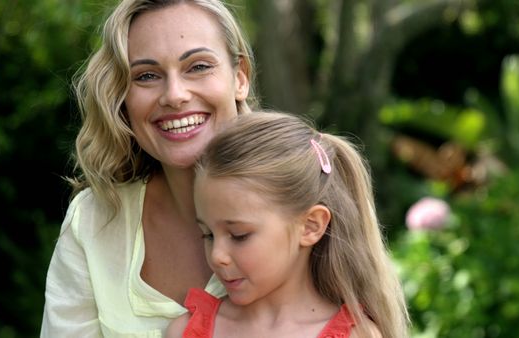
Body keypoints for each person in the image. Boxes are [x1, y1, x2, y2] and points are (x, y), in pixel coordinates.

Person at [40, 0, 258, 336]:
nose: (174, 95)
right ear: (122, 97)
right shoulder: (95, 222)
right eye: (146, 75)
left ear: (240, 77)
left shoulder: (302, 205)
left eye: (198, 67)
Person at [165, 111, 411, 338]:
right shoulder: (185, 331)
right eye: (207, 234)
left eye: (238, 235)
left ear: (311, 226)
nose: (217, 256)